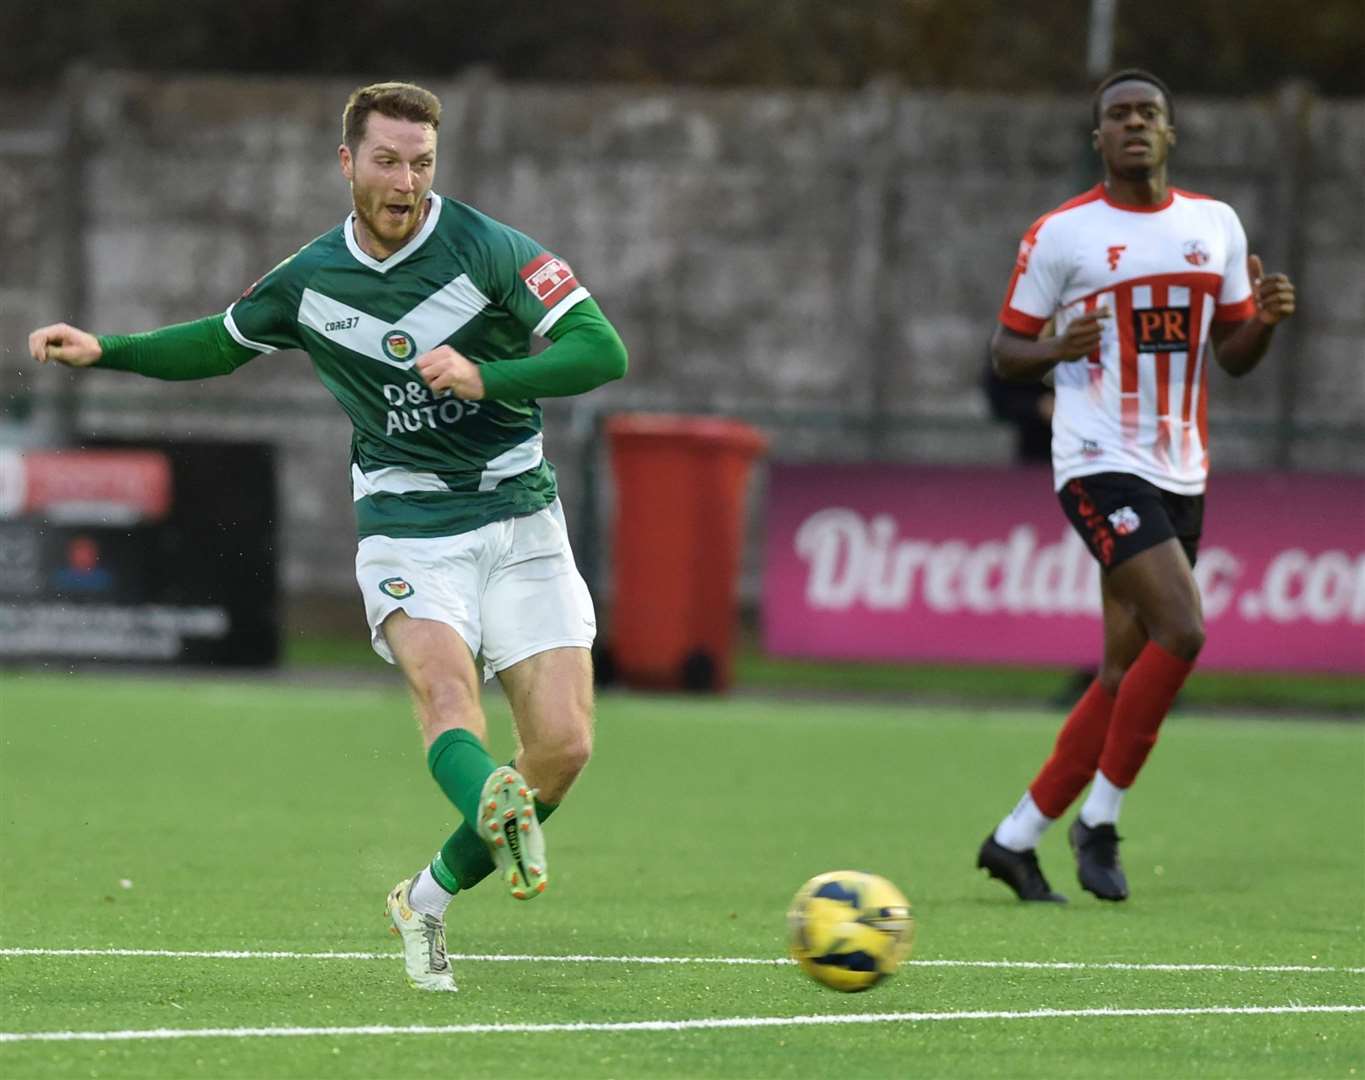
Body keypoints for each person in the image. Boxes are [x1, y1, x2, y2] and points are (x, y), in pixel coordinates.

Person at [28, 82, 628, 988]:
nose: (406, 181)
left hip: (519, 514)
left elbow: (600, 350)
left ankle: (423, 898)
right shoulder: (309, 280)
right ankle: (490, 797)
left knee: (564, 748)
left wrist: (488, 374)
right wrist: (107, 349)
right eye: (387, 161)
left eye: (422, 162)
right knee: (447, 700)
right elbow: (219, 342)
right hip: (407, 523)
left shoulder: (491, 250)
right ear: (347, 162)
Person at [976, 69, 1295, 903]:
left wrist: (1259, 319)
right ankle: (1100, 821)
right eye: (1116, 115)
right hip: (1094, 459)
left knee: (1122, 670)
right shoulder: (1061, 235)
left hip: (1181, 467)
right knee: (1182, 630)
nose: (1132, 125)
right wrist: (1056, 346)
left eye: (1147, 113)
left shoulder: (1212, 226)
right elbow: (1005, 352)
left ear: (1169, 131)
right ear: (1097, 138)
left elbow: (1230, 354)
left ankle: (1015, 837)